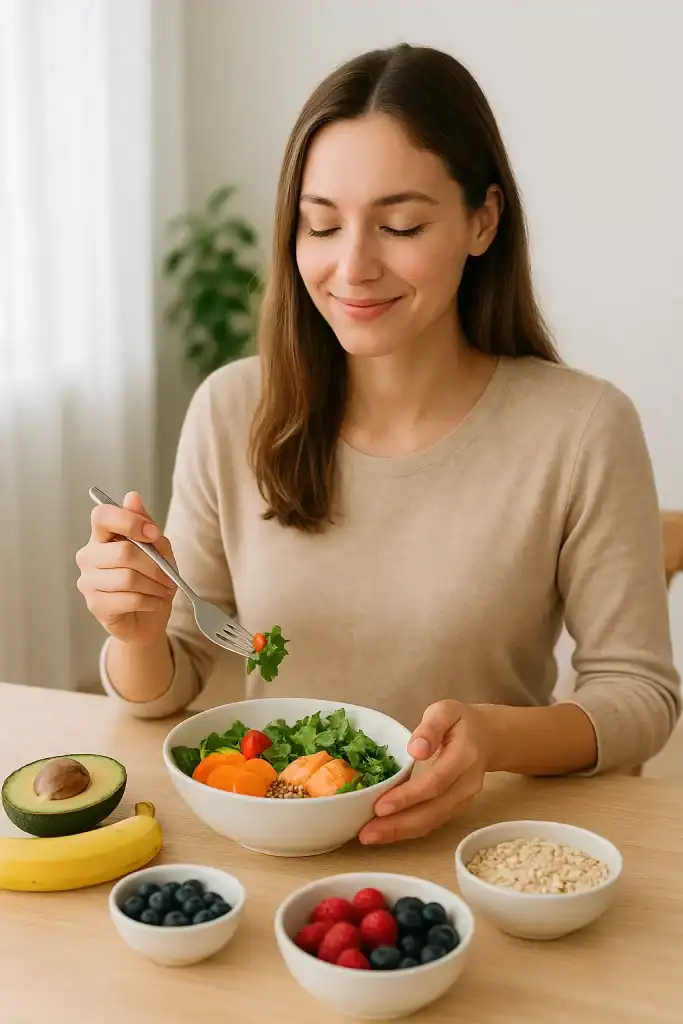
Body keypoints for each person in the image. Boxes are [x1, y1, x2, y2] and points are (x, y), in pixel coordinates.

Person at [76, 43, 680, 845]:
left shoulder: (580, 427)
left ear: (482, 220)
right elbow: (173, 679)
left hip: (484, 848)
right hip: (277, 845)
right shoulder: (233, 408)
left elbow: (637, 696)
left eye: (399, 224)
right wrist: (136, 635)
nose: (352, 266)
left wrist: (494, 741)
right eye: (320, 224)